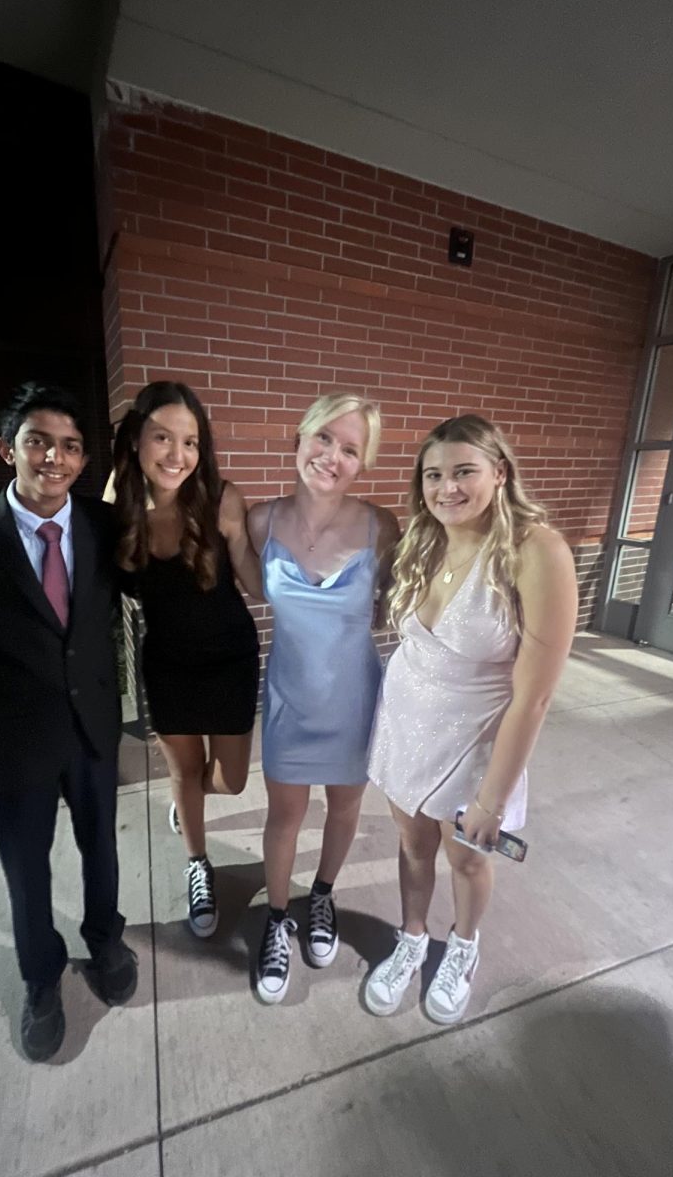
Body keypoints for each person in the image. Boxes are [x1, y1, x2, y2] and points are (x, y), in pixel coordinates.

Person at [0, 383, 137, 1062]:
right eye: (38, 441)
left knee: (102, 845)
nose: (55, 458)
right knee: (26, 871)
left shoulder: (103, 528)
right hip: (13, 740)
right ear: (5, 449)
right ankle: (41, 977)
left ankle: (105, 938)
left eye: (71, 446)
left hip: (95, 729)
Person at [363, 414, 577, 1023]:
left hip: (477, 740)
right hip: (405, 726)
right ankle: (410, 937)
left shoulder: (535, 551)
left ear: (499, 472)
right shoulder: (424, 537)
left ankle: (462, 946)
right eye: (434, 475)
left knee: (466, 858)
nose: (447, 488)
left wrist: (492, 799)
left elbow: (534, 697)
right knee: (411, 847)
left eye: (464, 472)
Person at [247, 394, 400, 1003]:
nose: (332, 456)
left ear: (363, 463)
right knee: (284, 816)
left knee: (343, 809)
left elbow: (403, 600)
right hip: (288, 697)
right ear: (300, 438)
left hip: (354, 698)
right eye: (324, 438)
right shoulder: (260, 522)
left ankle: (323, 897)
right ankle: (277, 919)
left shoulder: (379, 526)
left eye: (350, 449)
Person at [108, 382, 263, 939]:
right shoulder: (118, 516)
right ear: (135, 442)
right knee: (181, 774)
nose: (178, 455)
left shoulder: (222, 498)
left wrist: (250, 542)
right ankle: (198, 861)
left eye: (191, 441)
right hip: (168, 664)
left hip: (230, 660)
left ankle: (188, 800)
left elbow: (255, 583)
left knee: (231, 780)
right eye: (163, 438)